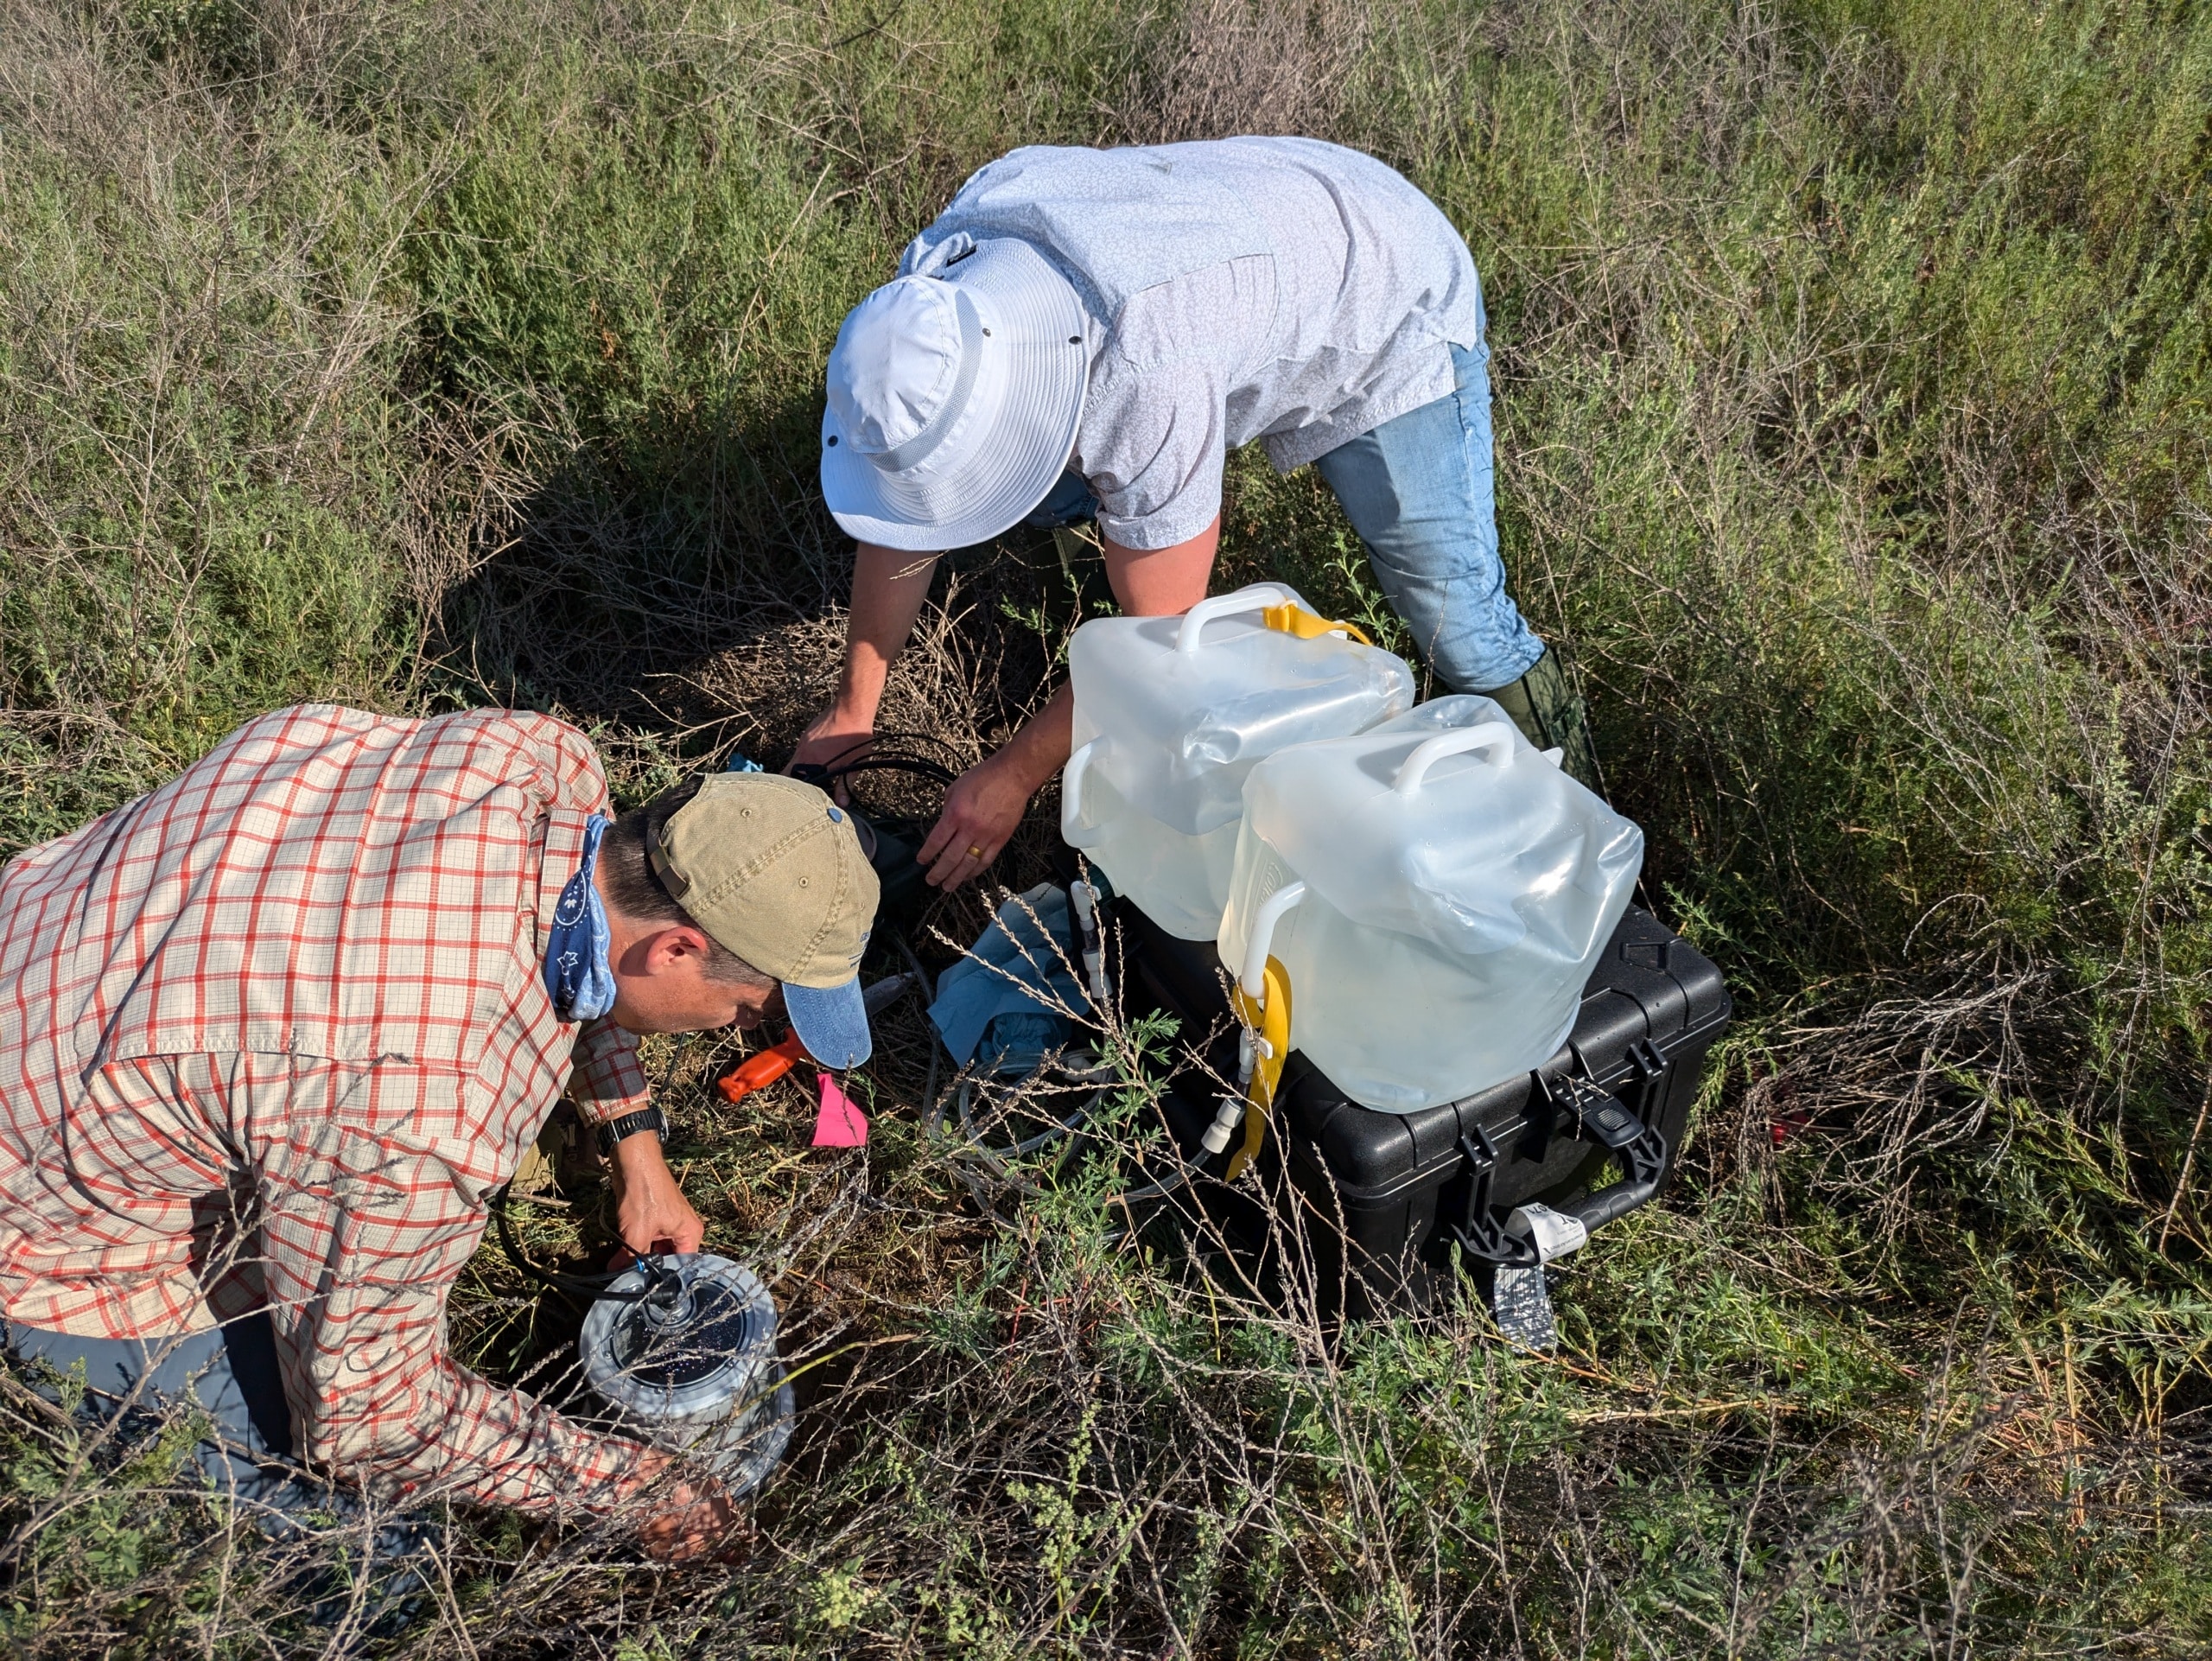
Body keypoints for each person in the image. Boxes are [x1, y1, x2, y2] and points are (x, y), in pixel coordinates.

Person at [0, 703, 878, 1559]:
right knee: (374, 1554)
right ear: (678, 950)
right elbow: (367, 1417)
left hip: (53, 948)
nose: (734, 1028)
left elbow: (590, 954)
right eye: (743, 1010)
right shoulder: (427, 1108)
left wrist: (636, 1147)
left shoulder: (534, 763)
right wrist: (628, 1486)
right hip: (43, 1219)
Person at [796, 136, 1597, 889]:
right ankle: (1097, 585)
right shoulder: (930, 297)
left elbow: (1157, 648)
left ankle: (1584, 833)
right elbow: (906, 518)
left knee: (1459, 621)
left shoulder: (1144, 375)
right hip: (1262, 228)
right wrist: (850, 711)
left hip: (1386, 295)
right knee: (1060, 498)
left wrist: (1010, 776)